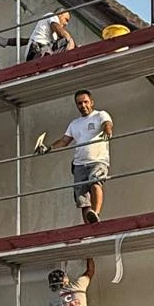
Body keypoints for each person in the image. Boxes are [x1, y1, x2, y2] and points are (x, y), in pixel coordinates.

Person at [35, 90, 113, 223]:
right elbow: (64, 141)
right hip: (79, 164)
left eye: (85, 102)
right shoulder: (74, 124)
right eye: (79, 103)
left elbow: (107, 123)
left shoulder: (100, 115)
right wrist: (48, 148)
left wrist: (107, 130)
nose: (83, 105)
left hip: (98, 160)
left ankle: (96, 213)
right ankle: (88, 225)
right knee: (82, 197)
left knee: (95, 182)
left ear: (91, 102)